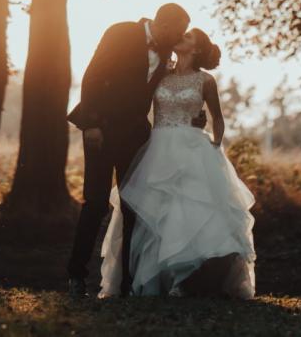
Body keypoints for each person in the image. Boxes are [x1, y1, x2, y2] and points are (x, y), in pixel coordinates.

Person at [98, 28, 256, 298]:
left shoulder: (205, 80)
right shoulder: (160, 74)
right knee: (156, 212)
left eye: (187, 37)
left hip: (194, 149)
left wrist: (215, 145)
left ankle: (187, 281)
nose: (180, 37)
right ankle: (150, 279)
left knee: (189, 211)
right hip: (158, 148)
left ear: (195, 49)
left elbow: (217, 117)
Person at [66, 3, 193, 298]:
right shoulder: (121, 32)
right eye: (177, 32)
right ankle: (76, 276)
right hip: (102, 130)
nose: (179, 38)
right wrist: (91, 125)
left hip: (135, 138)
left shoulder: (166, 55)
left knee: (133, 206)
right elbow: (92, 76)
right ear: (162, 25)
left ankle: (127, 283)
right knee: (95, 202)